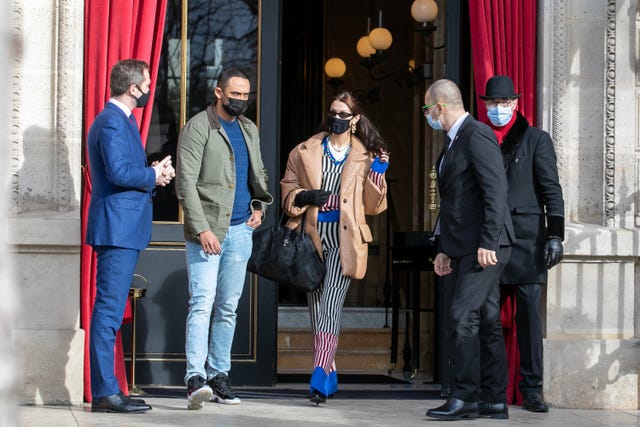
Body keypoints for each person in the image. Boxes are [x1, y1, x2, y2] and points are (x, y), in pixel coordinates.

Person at [280, 91, 389, 404]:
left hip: (345, 238)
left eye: (344, 114)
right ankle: (330, 372)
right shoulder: (305, 150)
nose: (336, 119)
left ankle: (318, 373)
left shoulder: (366, 156)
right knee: (316, 308)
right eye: (333, 113)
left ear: (355, 120)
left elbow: (371, 206)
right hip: (311, 235)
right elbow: (287, 187)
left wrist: (378, 174)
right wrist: (304, 196)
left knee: (330, 304)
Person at [175, 68, 272, 410]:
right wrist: (202, 229)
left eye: (246, 95)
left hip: (240, 232)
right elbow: (185, 183)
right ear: (219, 92)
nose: (241, 100)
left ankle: (219, 376)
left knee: (227, 308)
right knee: (202, 303)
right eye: (235, 94)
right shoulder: (199, 127)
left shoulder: (249, 128)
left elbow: (256, 175)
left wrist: (258, 208)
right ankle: (194, 379)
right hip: (207, 232)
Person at [86, 59, 174, 413]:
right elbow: (120, 172)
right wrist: (152, 176)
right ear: (133, 88)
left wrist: (153, 172)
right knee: (108, 311)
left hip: (123, 227)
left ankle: (110, 390)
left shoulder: (119, 121)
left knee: (110, 311)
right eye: (147, 83)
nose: (149, 88)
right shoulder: (110, 122)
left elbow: (124, 171)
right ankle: (105, 393)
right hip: (117, 229)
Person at [423, 79, 514, 421]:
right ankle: (494, 399)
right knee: (487, 319)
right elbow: (454, 201)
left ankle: (466, 397)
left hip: (486, 246)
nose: (428, 115)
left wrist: (489, 242)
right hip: (464, 246)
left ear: (440, 107)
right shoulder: (453, 140)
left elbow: (496, 190)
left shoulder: (475, 134)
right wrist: (445, 249)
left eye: (427, 109)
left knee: (462, 316)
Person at [480, 75, 564, 413]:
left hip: (528, 241)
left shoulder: (536, 139)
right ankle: (491, 389)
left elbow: (551, 190)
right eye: (493, 104)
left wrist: (556, 235)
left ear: (515, 104)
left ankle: (532, 390)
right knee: (486, 319)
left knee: (529, 320)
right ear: (485, 106)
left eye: (504, 103)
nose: (499, 109)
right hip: (491, 241)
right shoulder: (480, 137)